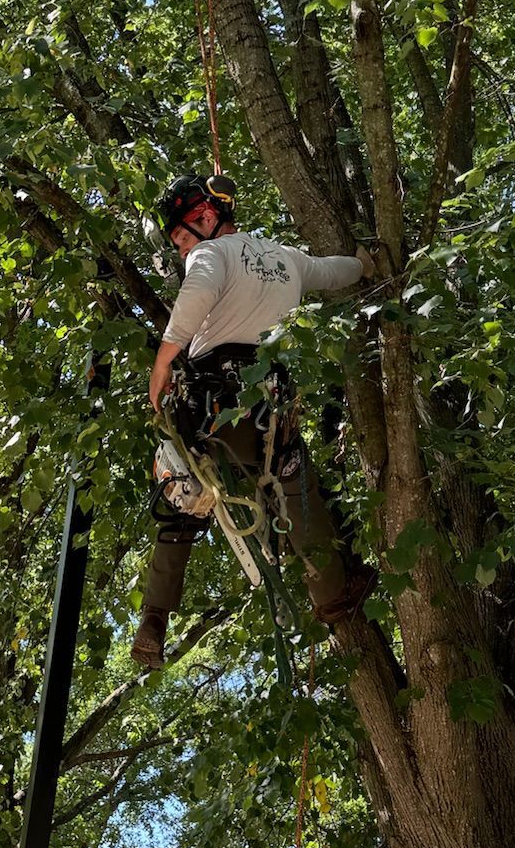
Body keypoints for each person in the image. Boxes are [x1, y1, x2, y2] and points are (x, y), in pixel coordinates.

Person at [132, 170, 375, 669]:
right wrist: (366, 262)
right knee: (294, 480)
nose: (181, 251)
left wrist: (163, 362)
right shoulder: (286, 258)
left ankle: (154, 619)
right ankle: (330, 593)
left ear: (205, 217)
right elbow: (333, 272)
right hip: (264, 408)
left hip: (207, 407)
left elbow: (197, 289)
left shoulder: (209, 255)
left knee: (182, 497)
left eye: (181, 237)